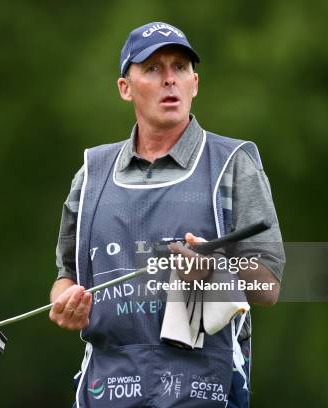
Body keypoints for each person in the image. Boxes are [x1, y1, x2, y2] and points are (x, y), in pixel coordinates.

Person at [49, 21, 285, 408]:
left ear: (195, 82)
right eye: (153, 69)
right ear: (126, 88)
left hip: (203, 390)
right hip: (107, 389)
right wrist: (66, 305)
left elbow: (269, 287)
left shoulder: (234, 164)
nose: (169, 80)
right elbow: (66, 278)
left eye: (179, 67)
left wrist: (215, 270)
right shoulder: (91, 173)